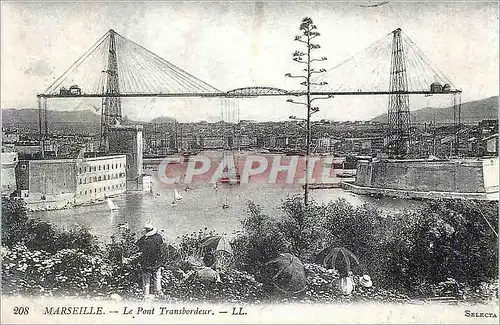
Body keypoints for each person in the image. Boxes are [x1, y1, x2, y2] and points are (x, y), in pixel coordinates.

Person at [136, 222, 165, 297]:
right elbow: (161, 245)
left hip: (146, 263)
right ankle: (158, 292)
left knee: (146, 280)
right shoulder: (159, 237)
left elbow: (137, 246)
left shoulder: (143, 239)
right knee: (157, 278)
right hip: (157, 262)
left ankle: (146, 294)